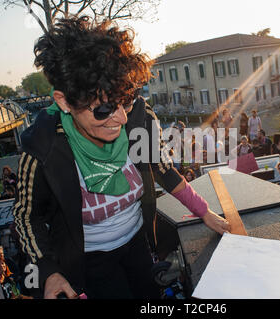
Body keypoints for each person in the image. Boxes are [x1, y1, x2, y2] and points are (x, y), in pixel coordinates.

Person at [12, 17, 230, 300]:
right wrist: (48, 271)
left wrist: (205, 212)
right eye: (103, 109)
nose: (122, 118)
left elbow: (163, 169)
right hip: (90, 260)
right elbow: (25, 216)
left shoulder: (140, 117)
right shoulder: (42, 148)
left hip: (138, 242)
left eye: (126, 100)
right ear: (65, 102)